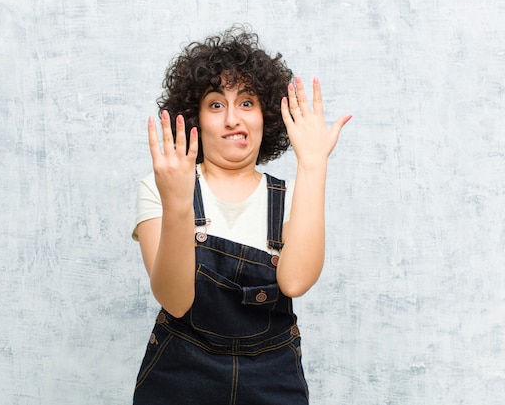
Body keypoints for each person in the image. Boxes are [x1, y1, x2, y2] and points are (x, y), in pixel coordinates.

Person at [131, 25, 351, 404]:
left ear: (266, 114)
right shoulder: (160, 186)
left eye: (247, 102)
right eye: (216, 104)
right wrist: (179, 202)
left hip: (272, 379)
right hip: (180, 377)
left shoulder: (291, 196)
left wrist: (314, 165)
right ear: (195, 119)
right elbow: (176, 300)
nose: (233, 119)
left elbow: (296, 282)